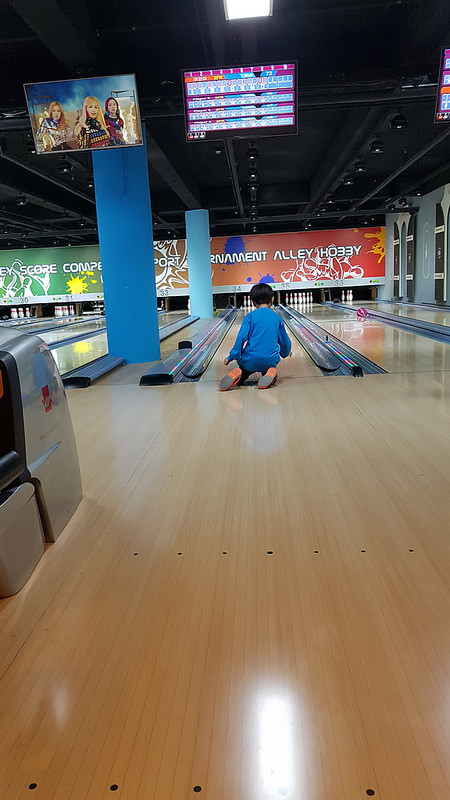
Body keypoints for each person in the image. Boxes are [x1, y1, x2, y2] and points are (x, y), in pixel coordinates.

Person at [220, 283, 292, 391]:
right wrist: (285, 353)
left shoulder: (250, 317)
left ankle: (240, 374)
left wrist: (232, 356)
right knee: (269, 367)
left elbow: (241, 338)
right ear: (272, 300)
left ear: (252, 302)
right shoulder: (277, 318)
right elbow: (285, 342)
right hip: (270, 360)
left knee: (245, 368)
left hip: (249, 361)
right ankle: (270, 374)